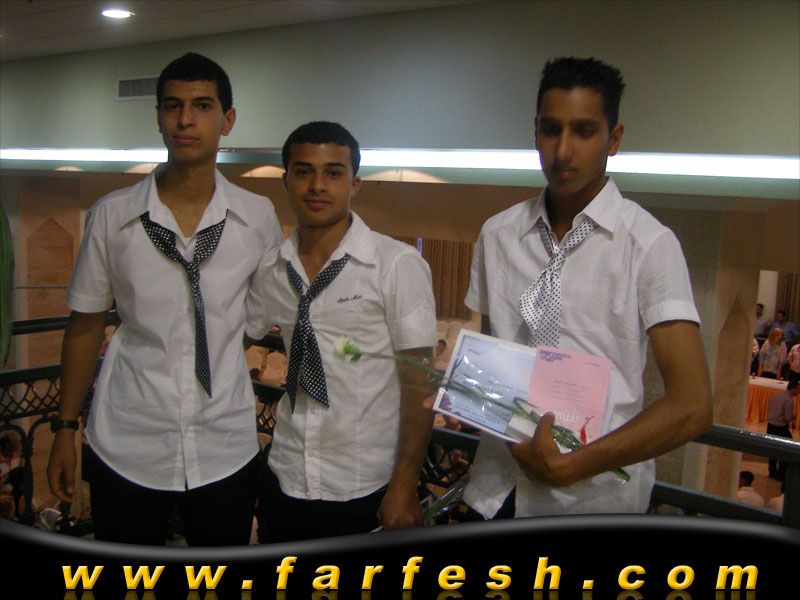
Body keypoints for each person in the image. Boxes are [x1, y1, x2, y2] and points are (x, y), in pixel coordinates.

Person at [459, 57, 712, 518]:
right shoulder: (498, 235)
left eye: (584, 131)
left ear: (613, 139)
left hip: (594, 500)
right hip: (497, 489)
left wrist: (578, 463)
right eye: (550, 130)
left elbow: (692, 405)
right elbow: (498, 359)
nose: (562, 151)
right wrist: (462, 392)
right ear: (535, 131)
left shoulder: (648, 245)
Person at [46, 53, 283, 546]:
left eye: (202, 106)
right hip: (128, 438)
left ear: (227, 120)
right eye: (173, 106)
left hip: (224, 442)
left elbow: (260, 316)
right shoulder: (112, 215)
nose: (185, 120)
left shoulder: (257, 216)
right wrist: (65, 428)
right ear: (158, 117)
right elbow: (85, 324)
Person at [245, 121, 436, 542]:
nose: (317, 185)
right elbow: (239, 333)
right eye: (303, 172)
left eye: (333, 173)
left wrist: (404, 486)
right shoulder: (272, 268)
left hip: (363, 486)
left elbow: (421, 383)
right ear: (286, 181)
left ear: (355, 184)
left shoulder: (396, 264)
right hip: (286, 474)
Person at [766, 379, 797, 480]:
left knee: (772, 449)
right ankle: (781, 474)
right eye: (798, 389)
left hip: (770, 425)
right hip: (780, 427)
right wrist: (794, 417)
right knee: (786, 449)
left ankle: (772, 471)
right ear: (793, 389)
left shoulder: (777, 395)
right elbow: (788, 418)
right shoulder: (789, 401)